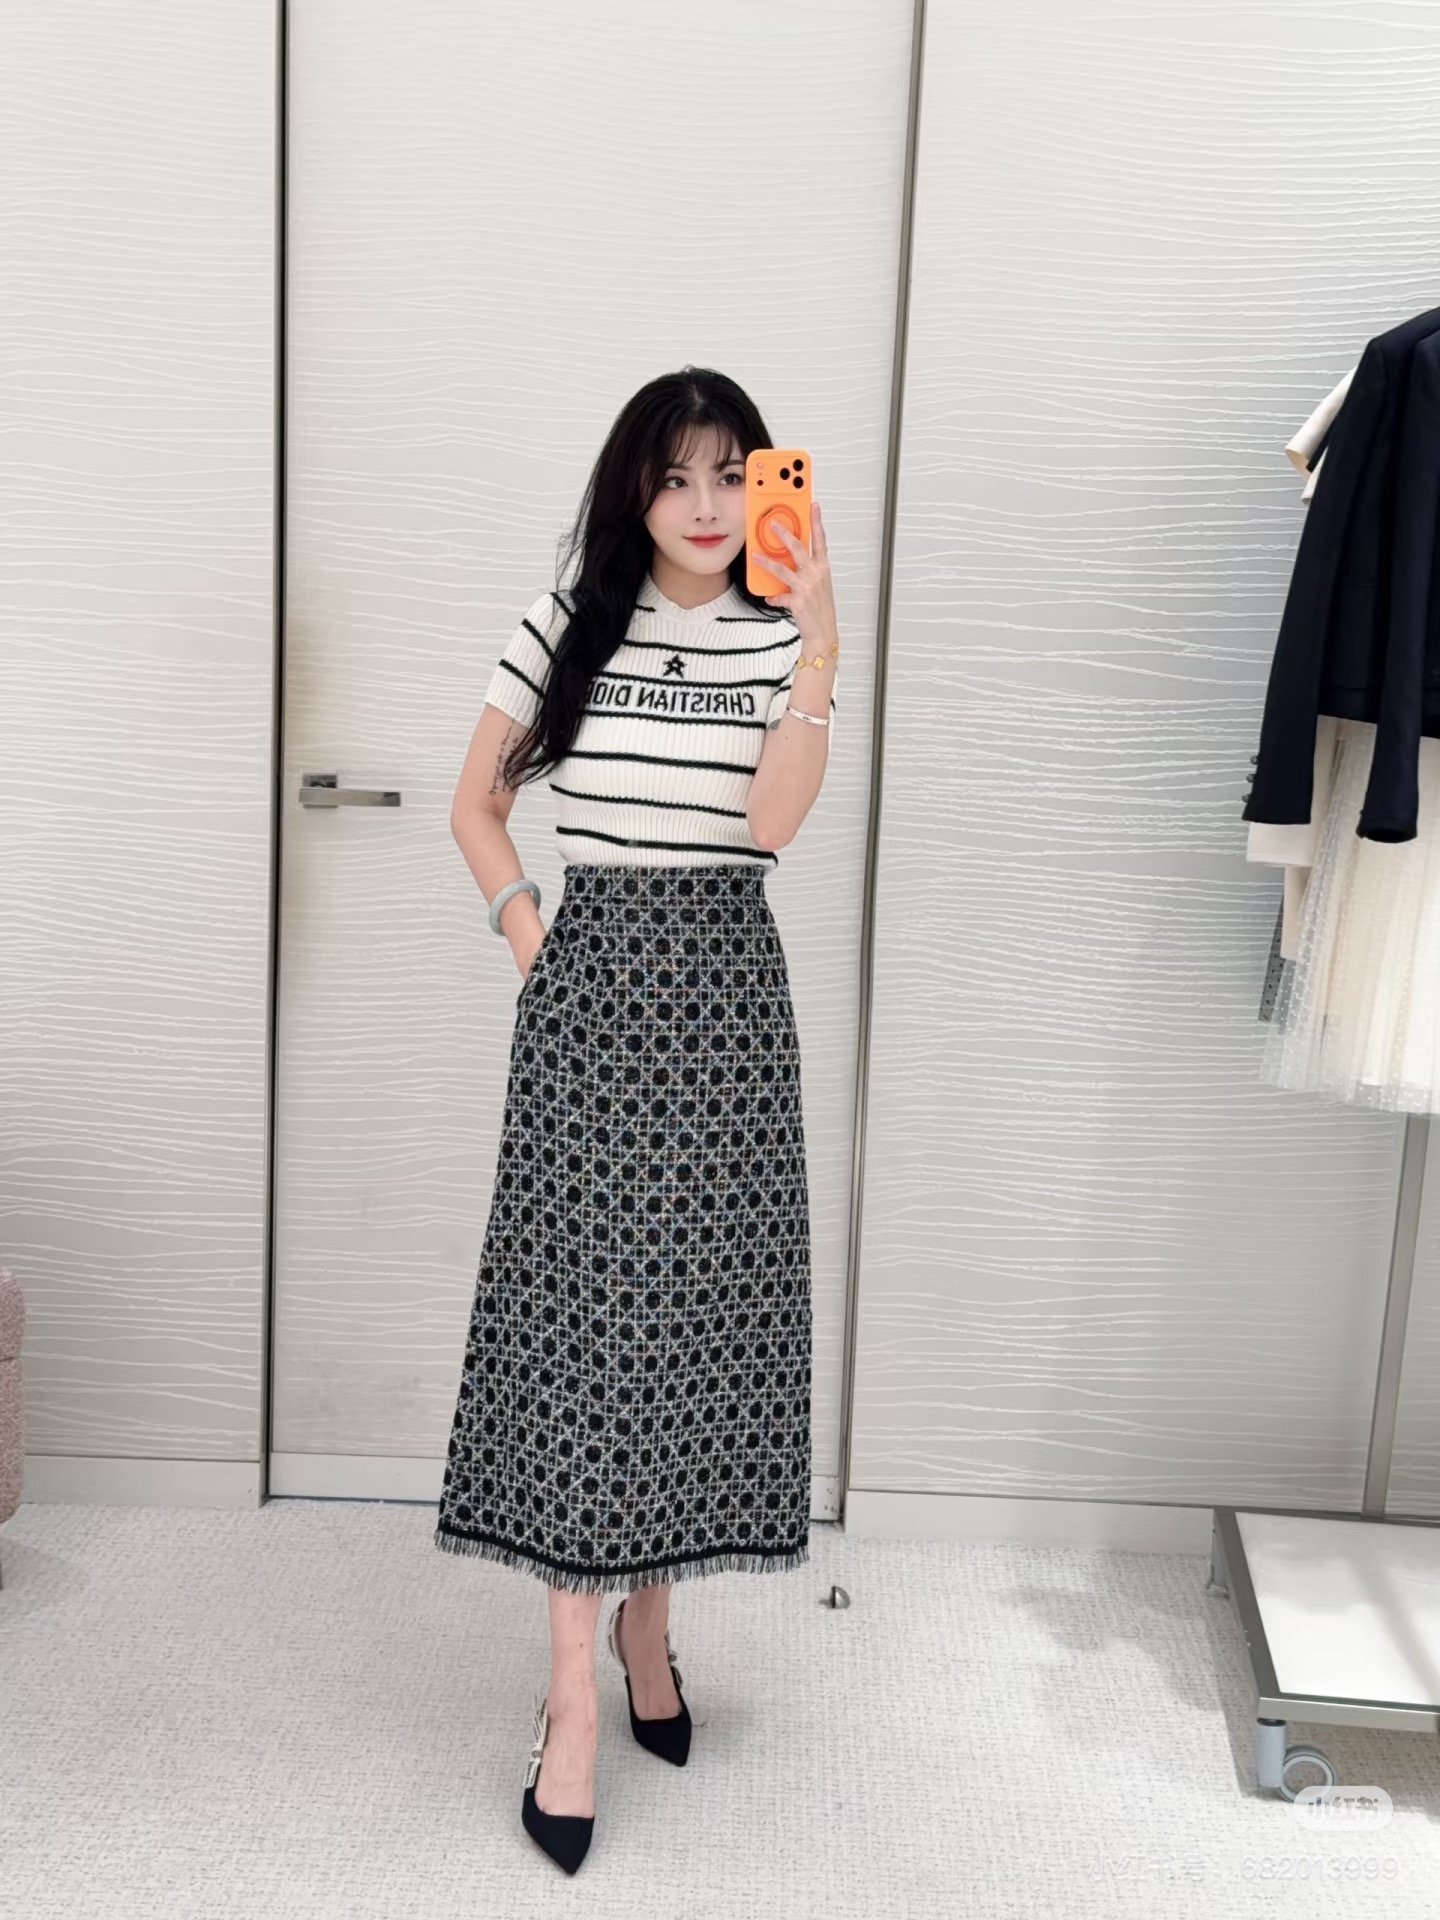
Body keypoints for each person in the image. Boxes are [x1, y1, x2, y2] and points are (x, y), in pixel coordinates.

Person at [434, 366, 839, 1873]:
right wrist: (531, 936)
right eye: (677, 477)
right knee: (580, 1336)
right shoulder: (569, 624)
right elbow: (475, 804)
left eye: (734, 473)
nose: (708, 504)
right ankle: (570, 1704)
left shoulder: (779, 638)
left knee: (696, 1329)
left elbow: (770, 826)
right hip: (594, 995)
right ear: (635, 492)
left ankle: (649, 1630)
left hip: (728, 1001)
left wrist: (823, 642)